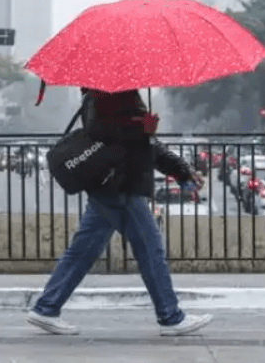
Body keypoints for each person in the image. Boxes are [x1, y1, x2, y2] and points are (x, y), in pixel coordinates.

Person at [27, 88, 213, 337]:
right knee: (150, 249)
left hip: (112, 186)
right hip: (120, 186)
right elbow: (104, 135)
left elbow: (149, 147)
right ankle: (170, 316)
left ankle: (46, 308)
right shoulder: (105, 96)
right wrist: (143, 130)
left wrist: (181, 172)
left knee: (83, 250)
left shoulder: (115, 93)